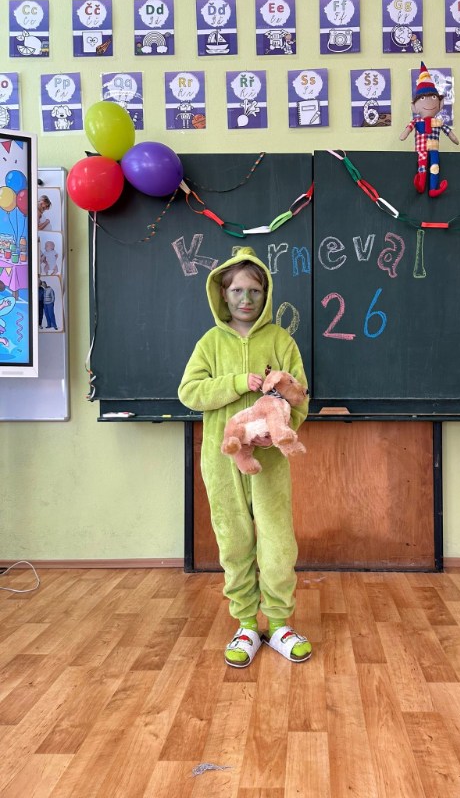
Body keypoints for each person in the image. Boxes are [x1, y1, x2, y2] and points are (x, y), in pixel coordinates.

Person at [178, 247, 311, 668]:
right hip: (223, 460)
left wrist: (280, 427)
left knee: (277, 540)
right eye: (237, 290)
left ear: (265, 293)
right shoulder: (210, 343)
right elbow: (189, 392)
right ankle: (246, 625)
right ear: (222, 292)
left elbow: (300, 396)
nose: (246, 299)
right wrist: (236, 382)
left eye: (254, 290)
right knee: (233, 540)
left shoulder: (281, 341)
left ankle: (280, 623)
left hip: (269, 460)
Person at [399, 61, 459, 198]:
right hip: (421, 149)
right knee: (422, 165)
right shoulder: (416, 121)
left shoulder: (438, 122)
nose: (428, 102)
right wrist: (404, 134)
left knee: (435, 166)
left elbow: (449, 132)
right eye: (422, 98)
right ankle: (421, 185)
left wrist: (454, 139)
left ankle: (433, 189)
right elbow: (407, 131)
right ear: (414, 107)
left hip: (434, 149)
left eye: (433, 97)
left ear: (440, 104)